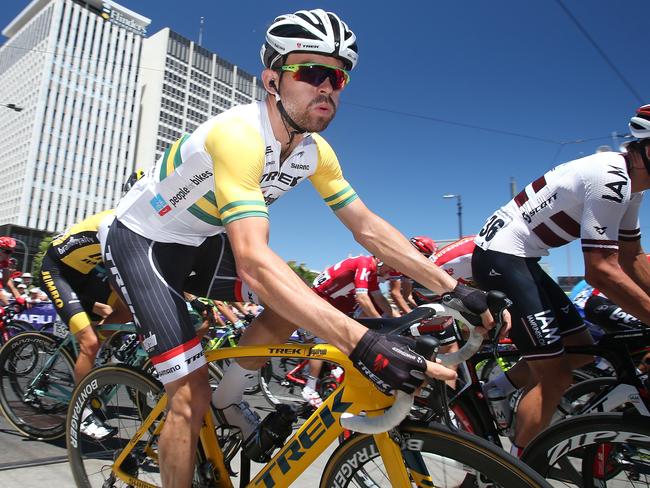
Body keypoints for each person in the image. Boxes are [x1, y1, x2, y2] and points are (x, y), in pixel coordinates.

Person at [101, 9, 502, 487]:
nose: (328, 87)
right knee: (188, 396)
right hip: (144, 238)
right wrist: (360, 342)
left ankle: (231, 394)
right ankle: (205, 403)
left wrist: (454, 288)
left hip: (204, 237)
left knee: (293, 302)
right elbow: (252, 257)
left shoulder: (314, 152)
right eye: (312, 72)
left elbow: (368, 228)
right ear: (272, 80)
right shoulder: (239, 135)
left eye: (338, 77)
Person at [471, 103, 650, 456]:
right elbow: (601, 269)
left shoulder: (633, 188)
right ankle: (517, 471)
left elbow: (633, 258)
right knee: (556, 377)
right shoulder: (612, 176)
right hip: (502, 256)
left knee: (581, 351)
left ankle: (500, 387)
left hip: (523, 258)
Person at [41, 209, 132, 440]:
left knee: (124, 311)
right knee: (89, 342)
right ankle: (80, 412)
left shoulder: (136, 225)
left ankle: (95, 357)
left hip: (86, 275)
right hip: (57, 271)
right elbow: (118, 280)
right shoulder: (116, 224)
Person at [387, 236, 438, 314]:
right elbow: (395, 294)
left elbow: (407, 296)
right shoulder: (398, 262)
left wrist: (423, 311)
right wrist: (411, 314)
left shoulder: (408, 268)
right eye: (426, 257)